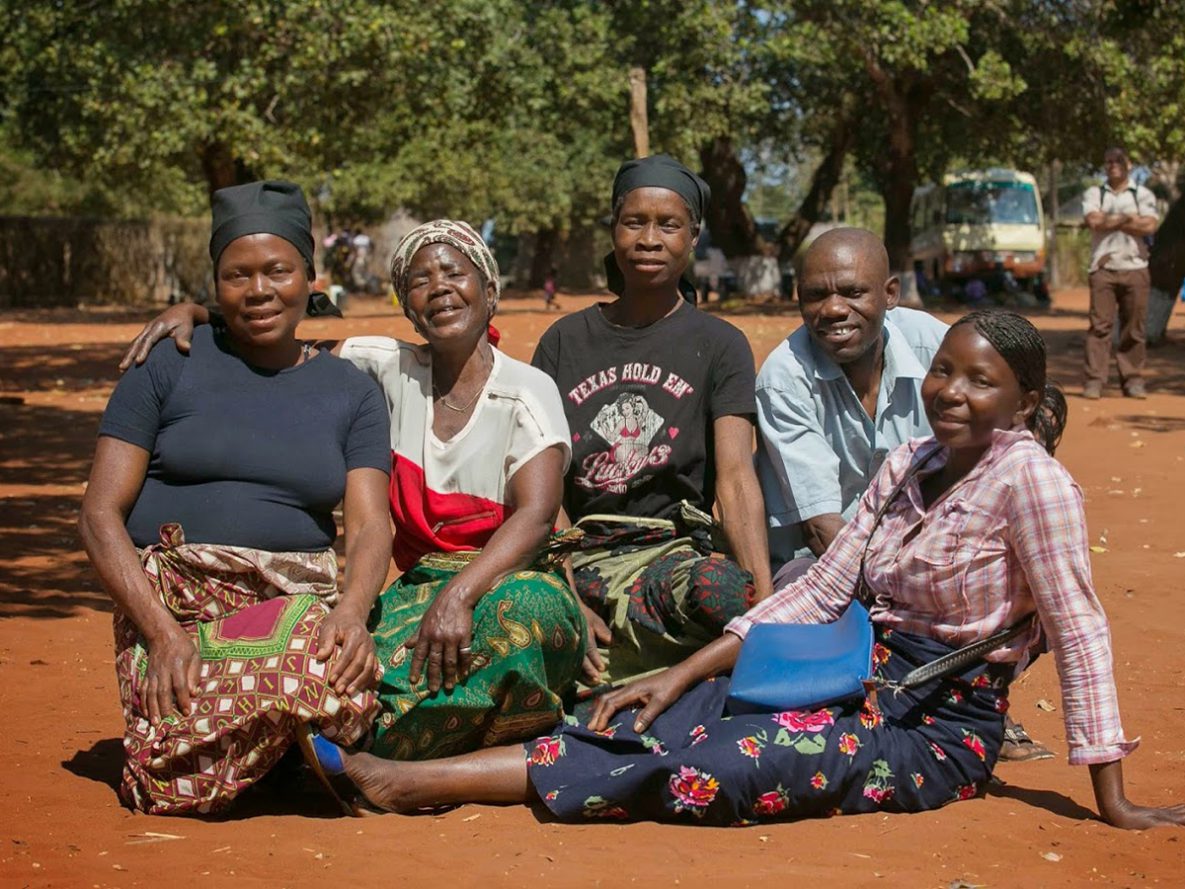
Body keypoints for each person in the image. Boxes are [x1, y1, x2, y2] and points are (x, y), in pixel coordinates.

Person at [301, 311, 1185, 832]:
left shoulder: (1032, 481)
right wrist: (679, 669)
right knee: (652, 707)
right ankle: (401, 772)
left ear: (1023, 402)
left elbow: (1077, 626)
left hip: (932, 731)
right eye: (943, 371)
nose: (950, 391)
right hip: (842, 669)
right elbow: (818, 588)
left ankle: (402, 782)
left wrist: (1110, 795)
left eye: (980, 382)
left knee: (720, 762)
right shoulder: (911, 460)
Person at [118, 219, 587, 788]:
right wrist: (201, 313)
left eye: (455, 274)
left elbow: (537, 516)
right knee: (350, 666)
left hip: (507, 578)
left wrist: (461, 594)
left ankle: (399, 764)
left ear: (489, 291)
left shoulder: (527, 389)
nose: (439, 288)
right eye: (419, 280)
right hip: (418, 589)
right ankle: (348, 745)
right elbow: (279, 335)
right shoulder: (382, 364)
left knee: (520, 618)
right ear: (408, 308)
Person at [80, 180, 394, 815]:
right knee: (165, 780)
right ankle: (282, 746)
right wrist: (164, 635)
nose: (258, 291)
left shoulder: (350, 391)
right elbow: (98, 516)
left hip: (296, 605)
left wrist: (353, 612)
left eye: (277, 271)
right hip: (176, 610)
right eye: (236, 275)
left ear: (310, 275)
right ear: (214, 286)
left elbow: (368, 528)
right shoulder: (168, 364)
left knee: (342, 657)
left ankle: (269, 745)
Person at [757, 227, 1049, 762]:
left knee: (1022, 583)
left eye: (852, 292)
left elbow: (1004, 439)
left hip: (920, 555)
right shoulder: (784, 378)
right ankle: (897, 705)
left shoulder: (934, 345)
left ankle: (979, 705)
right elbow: (824, 531)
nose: (833, 309)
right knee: (816, 602)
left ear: (890, 293)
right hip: (822, 563)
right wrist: (909, 593)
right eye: (815, 295)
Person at [530, 154, 772, 690]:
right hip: (578, 555)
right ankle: (638, 671)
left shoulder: (720, 346)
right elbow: (540, 486)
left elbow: (734, 478)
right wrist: (566, 592)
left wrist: (765, 611)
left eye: (669, 225)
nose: (649, 239)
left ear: (693, 236)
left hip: (669, 560)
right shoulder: (563, 342)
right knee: (523, 618)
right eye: (634, 222)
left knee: (725, 594)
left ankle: (616, 677)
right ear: (614, 230)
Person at [1082, 147, 1159, 399]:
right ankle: (1095, 380)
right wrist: (1128, 219)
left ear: (1129, 163)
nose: (1112, 165)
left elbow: (1150, 225)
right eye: (1108, 161)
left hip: (1135, 268)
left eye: (1117, 161)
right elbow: (1094, 221)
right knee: (1099, 327)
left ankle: (1133, 380)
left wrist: (1111, 220)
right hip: (1102, 269)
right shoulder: (1095, 193)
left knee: (1134, 328)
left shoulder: (1143, 194)